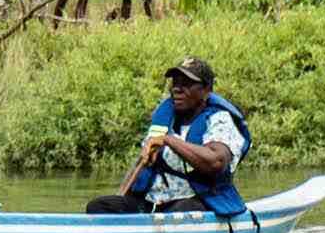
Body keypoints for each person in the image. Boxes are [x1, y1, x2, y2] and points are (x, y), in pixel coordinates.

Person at [86, 57, 251, 217]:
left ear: (206, 90)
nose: (177, 89)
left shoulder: (219, 119)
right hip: (153, 203)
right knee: (99, 206)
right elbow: (141, 164)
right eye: (175, 83)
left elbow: (216, 162)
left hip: (198, 201)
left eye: (186, 84)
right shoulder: (165, 117)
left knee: (177, 213)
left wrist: (168, 140)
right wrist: (121, 197)